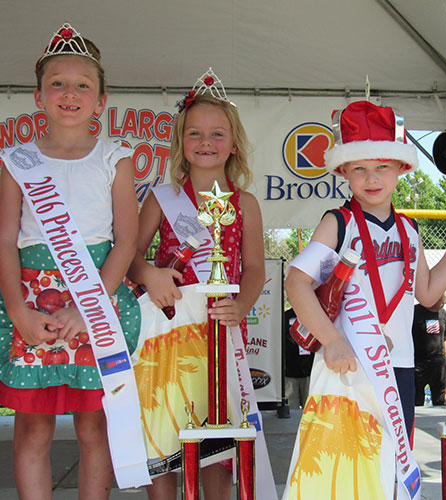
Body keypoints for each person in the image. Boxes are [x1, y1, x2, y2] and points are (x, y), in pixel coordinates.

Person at [285, 100, 446, 453]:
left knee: (393, 464)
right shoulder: (338, 223)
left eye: (382, 166)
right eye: (359, 168)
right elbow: (296, 282)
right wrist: (331, 340)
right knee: (348, 469)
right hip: (348, 365)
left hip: (399, 366)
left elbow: (426, 293)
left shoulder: (409, 229)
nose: (372, 178)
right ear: (344, 171)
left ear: (400, 168)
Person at [0, 23, 141, 499]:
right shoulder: (14, 161)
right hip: (33, 299)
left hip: (95, 298)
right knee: (33, 430)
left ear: (101, 101)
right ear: (38, 96)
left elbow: (125, 241)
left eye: (83, 84)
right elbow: (3, 240)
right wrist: (19, 311)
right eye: (57, 82)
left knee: (92, 428)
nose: (69, 93)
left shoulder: (115, 159)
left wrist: (87, 307)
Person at [128, 69, 265, 500]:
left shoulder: (246, 204)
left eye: (217, 133)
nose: (206, 142)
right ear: (181, 143)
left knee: (218, 447)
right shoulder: (160, 197)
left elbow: (256, 268)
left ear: (234, 143)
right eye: (195, 134)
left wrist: (242, 305)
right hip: (169, 336)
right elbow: (129, 256)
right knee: (165, 439)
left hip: (223, 333)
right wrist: (148, 273)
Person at [412, 292, 446, 406]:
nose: (444, 304)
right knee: (417, 399)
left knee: (439, 398)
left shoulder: (442, 313)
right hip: (419, 362)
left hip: (438, 363)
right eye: (442, 301)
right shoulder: (415, 312)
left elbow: (445, 337)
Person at [283, 308, 314, 409]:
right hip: (290, 371)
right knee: (292, 407)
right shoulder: (285, 316)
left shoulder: (314, 315)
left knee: (310, 407)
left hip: (309, 371)